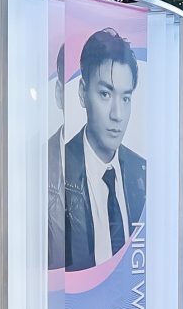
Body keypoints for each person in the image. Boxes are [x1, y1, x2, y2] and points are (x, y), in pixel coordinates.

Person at [61, 26, 148, 271]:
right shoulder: (57, 169)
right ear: (82, 93)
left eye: (125, 98)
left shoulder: (142, 172)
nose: (117, 114)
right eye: (105, 94)